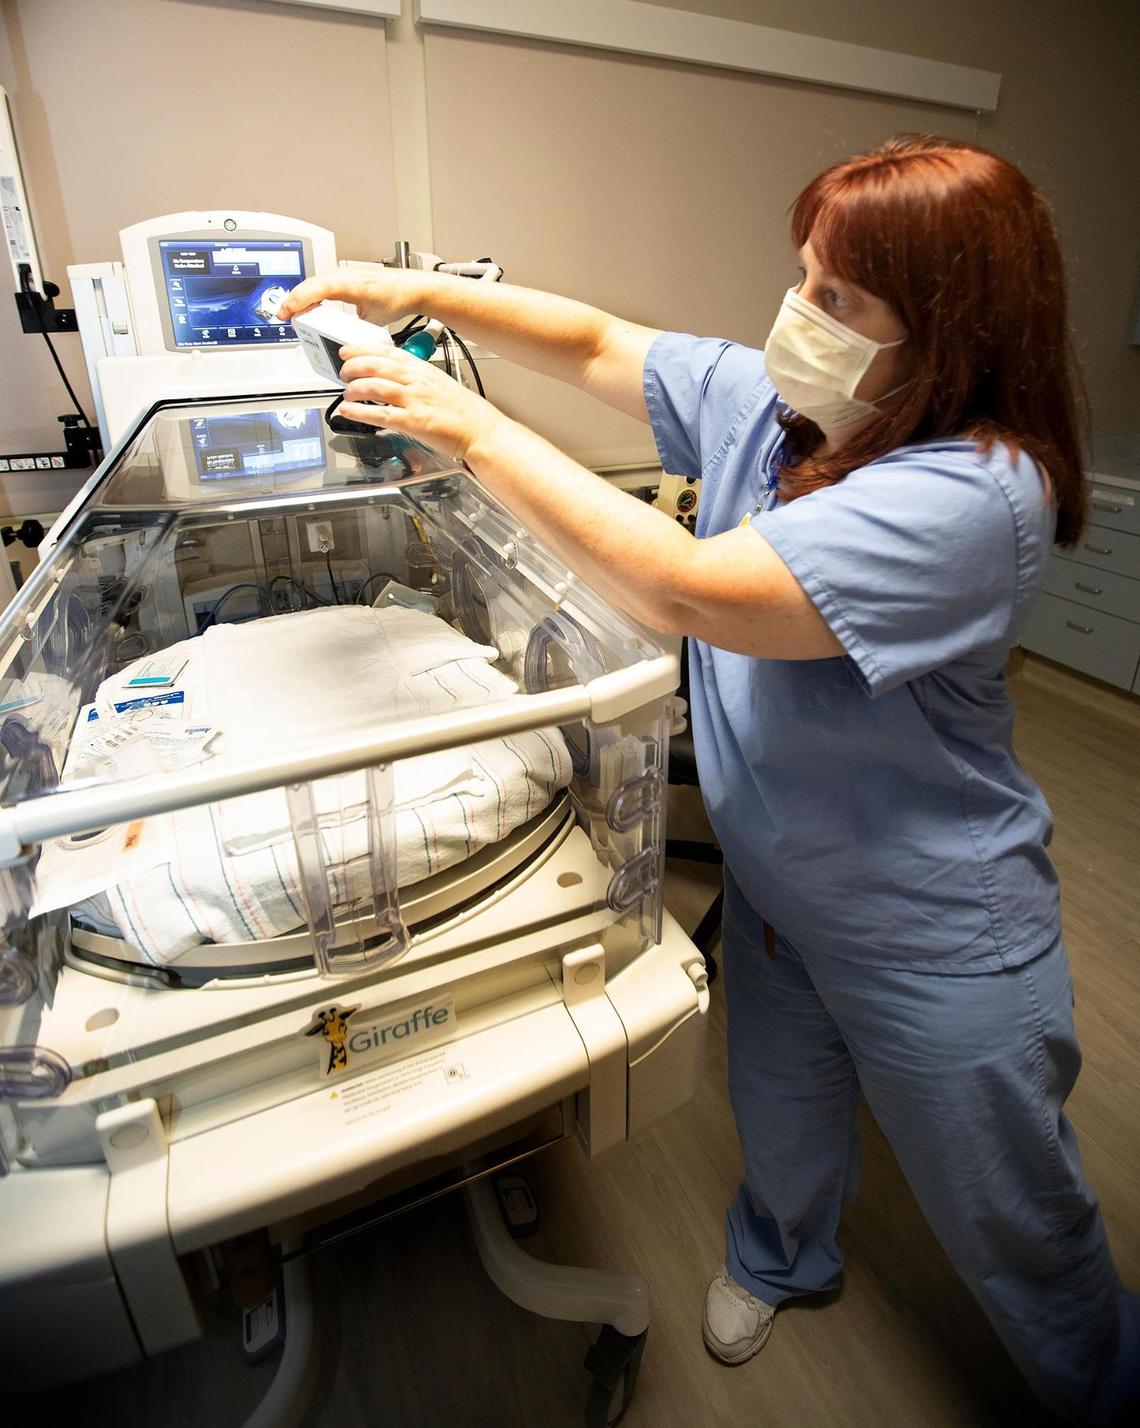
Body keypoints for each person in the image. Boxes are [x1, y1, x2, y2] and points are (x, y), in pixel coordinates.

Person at [280, 135, 1138, 1425]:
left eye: (839, 299)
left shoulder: (979, 496)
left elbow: (693, 593)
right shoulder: (781, 407)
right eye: (801, 279)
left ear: (949, 332)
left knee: (1017, 1221)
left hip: (931, 931)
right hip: (787, 896)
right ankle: (782, 1258)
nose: (798, 316)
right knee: (783, 1119)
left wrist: (473, 433)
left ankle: (1100, 1381)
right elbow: (587, 339)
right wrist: (417, 294)